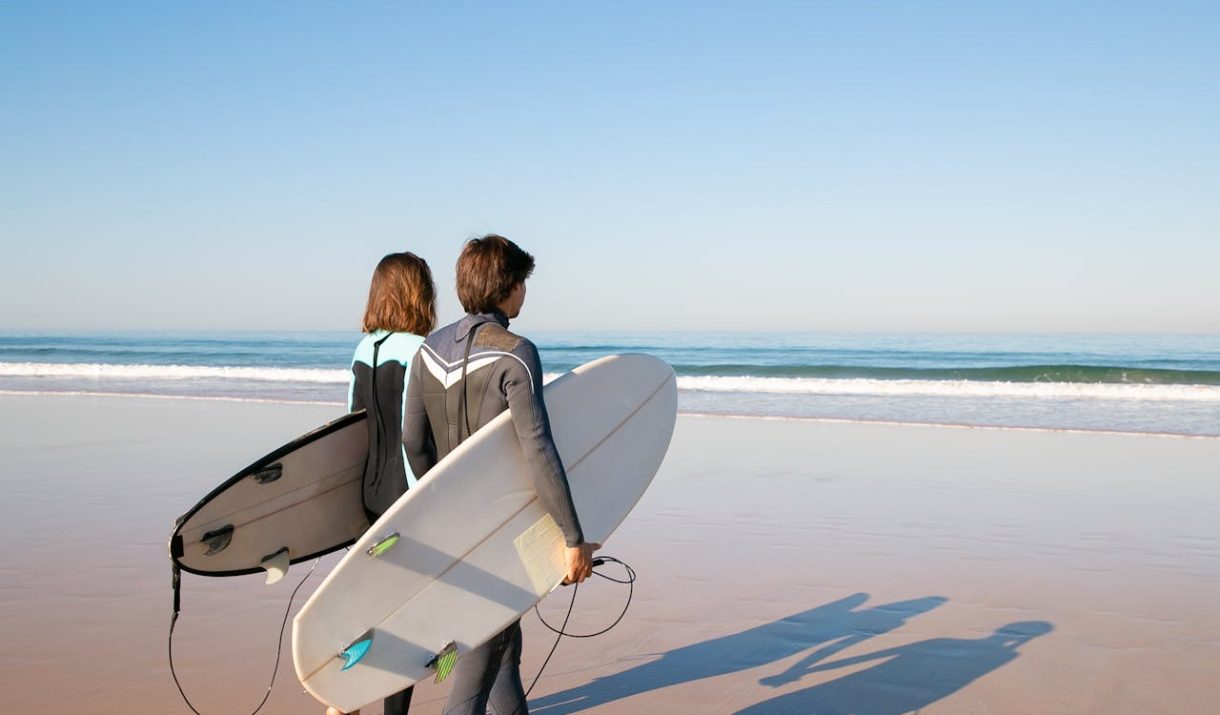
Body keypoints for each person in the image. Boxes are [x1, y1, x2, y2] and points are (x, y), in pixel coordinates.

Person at [402, 234, 598, 715]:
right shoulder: (515, 353)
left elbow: (412, 440)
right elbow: (538, 448)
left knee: (502, 646)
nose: (524, 292)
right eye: (521, 282)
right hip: (501, 531)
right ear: (506, 287)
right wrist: (573, 536)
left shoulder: (426, 351)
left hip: (453, 528)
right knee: (477, 662)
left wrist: (442, 499)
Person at [327, 251, 437, 715]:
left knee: (367, 611)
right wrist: (426, 500)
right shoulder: (418, 351)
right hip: (401, 496)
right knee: (406, 618)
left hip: (367, 495)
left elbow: (351, 430)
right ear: (419, 294)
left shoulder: (362, 350)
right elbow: (415, 437)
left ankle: (342, 699)